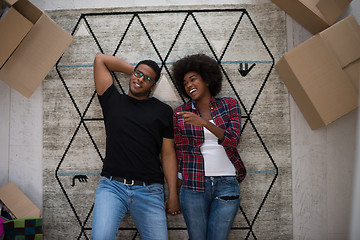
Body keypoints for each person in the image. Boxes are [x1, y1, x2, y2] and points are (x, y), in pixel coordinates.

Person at [91, 53, 180, 240]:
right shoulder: (113, 101)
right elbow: (100, 59)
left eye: (147, 79)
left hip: (149, 191)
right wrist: (138, 72)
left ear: (153, 86)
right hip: (112, 187)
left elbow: (168, 154)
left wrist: (173, 194)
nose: (140, 79)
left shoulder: (163, 112)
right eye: (138, 74)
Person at [172, 53, 246, 240]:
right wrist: (175, 191)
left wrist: (204, 123)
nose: (189, 85)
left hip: (226, 184)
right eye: (185, 82)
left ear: (206, 79)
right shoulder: (180, 113)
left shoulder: (229, 105)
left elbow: (232, 140)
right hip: (193, 185)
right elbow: (180, 153)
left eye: (193, 79)